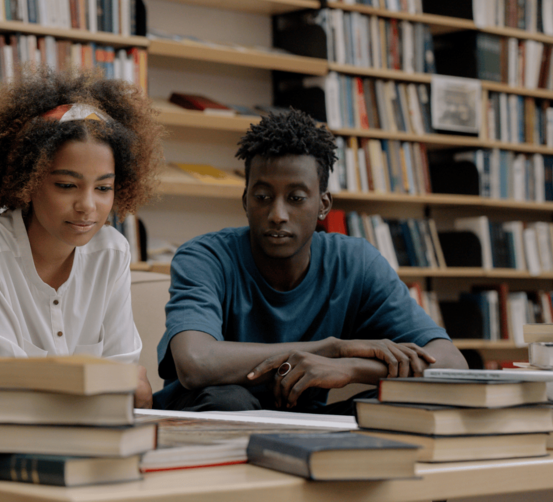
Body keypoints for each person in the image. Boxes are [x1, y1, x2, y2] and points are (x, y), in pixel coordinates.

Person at [154, 108, 467, 414]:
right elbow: (195, 363)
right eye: (262, 197)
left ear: (323, 205)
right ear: (245, 201)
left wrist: (351, 368)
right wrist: (331, 348)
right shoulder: (205, 257)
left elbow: (451, 364)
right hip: (206, 417)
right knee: (230, 401)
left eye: (296, 198)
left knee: (400, 404)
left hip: (304, 426)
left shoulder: (355, 263)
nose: (277, 214)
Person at [0, 67, 164, 409]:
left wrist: (116, 385)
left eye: (103, 188)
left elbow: (129, 386)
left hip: (79, 435)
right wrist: (106, 385)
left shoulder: (113, 251)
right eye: (67, 186)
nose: (87, 206)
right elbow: (5, 390)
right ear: (29, 180)